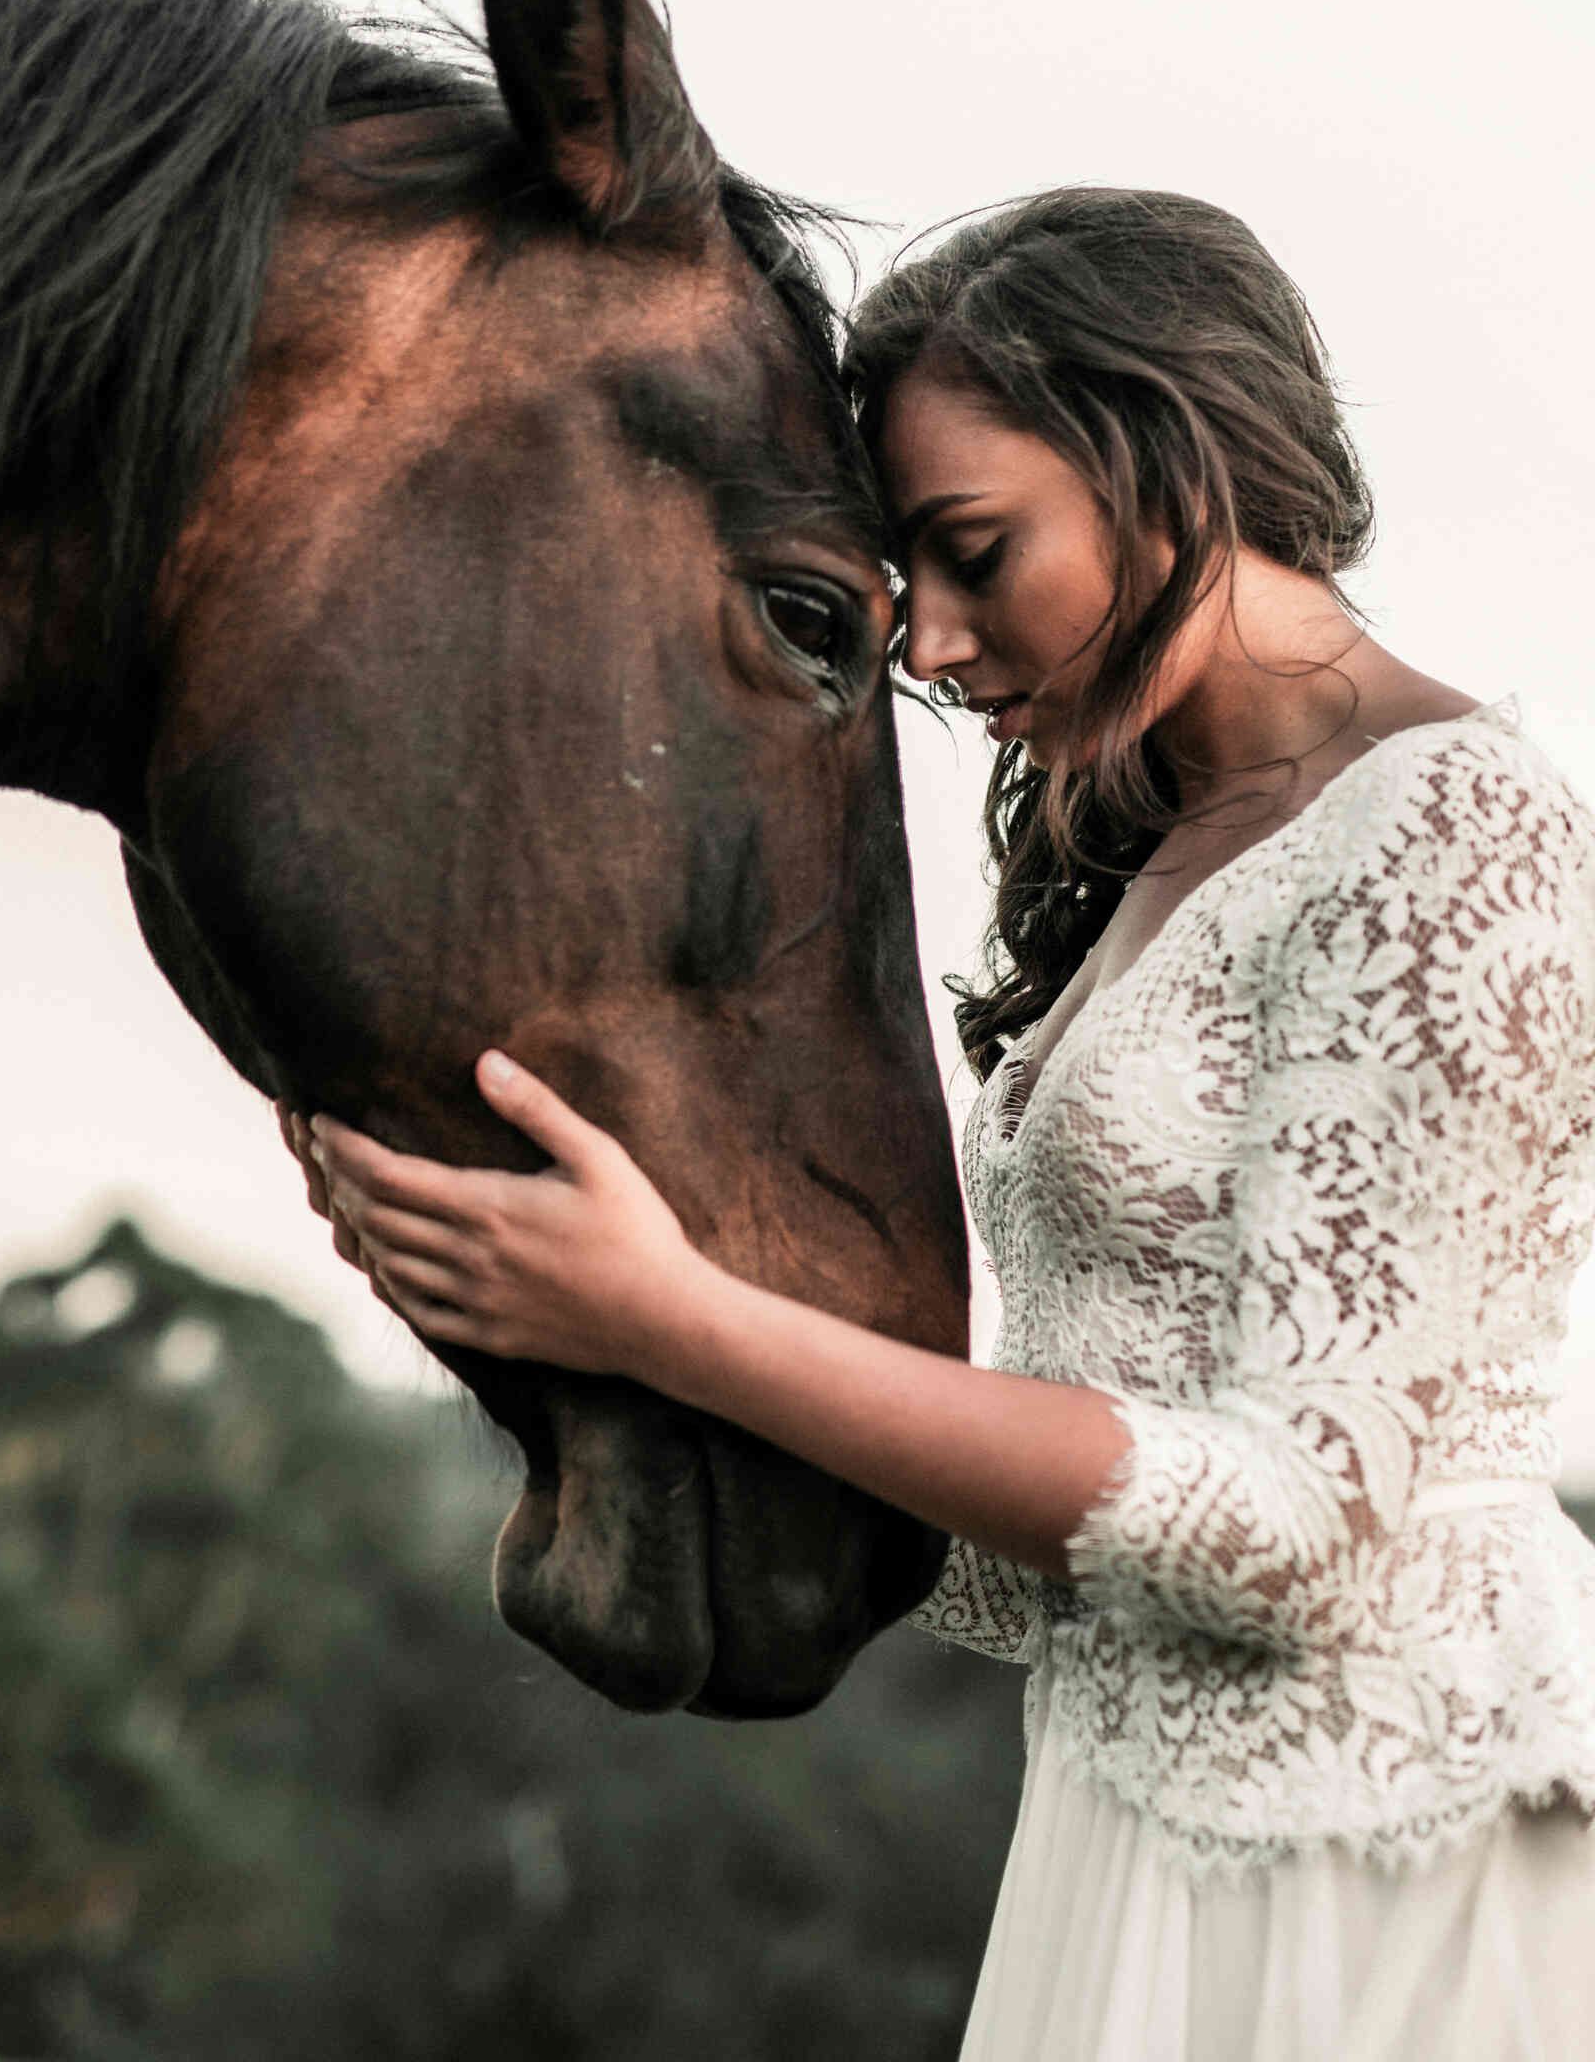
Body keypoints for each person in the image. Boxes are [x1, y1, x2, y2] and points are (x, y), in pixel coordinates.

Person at [294, 187, 1595, 2060]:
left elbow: (1306, 1529)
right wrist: (539, 1282)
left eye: (977, 552)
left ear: (1172, 454)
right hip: (1128, 1833)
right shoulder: (1158, 840)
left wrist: (674, 1319)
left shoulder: (1453, 831)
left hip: (1380, 1867)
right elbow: (1050, 1516)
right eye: (911, 579)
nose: (936, 644)